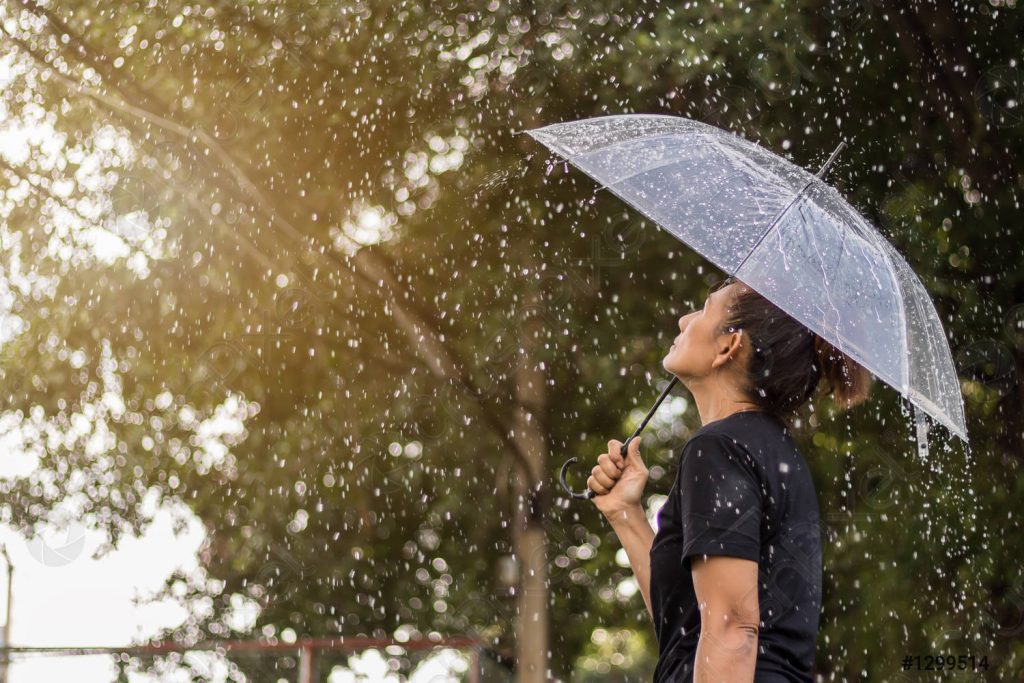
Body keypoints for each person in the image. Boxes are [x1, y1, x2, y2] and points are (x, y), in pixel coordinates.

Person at [587, 275, 871, 682]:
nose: (685, 320)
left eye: (704, 310)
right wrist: (624, 514)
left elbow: (733, 626)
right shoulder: (773, 452)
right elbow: (687, 626)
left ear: (729, 345)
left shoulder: (719, 448)